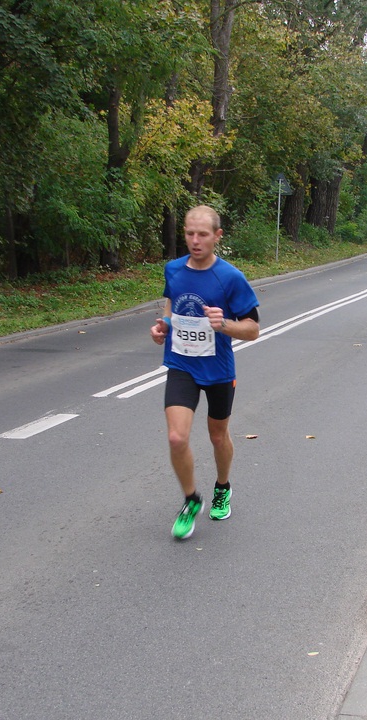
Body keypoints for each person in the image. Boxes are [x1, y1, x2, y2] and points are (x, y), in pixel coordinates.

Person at [150, 205, 261, 539]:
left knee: (217, 436)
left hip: (218, 370)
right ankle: (190, 500)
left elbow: (253, 328)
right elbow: (171, 305)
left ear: (217, 236)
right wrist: (163, 326)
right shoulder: (173, 269)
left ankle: (222, 487)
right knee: (176, 437)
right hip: (181, 364)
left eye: (202, 234)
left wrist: (223, 324)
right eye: (189, 233)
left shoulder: (230, 277)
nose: (195, 241)